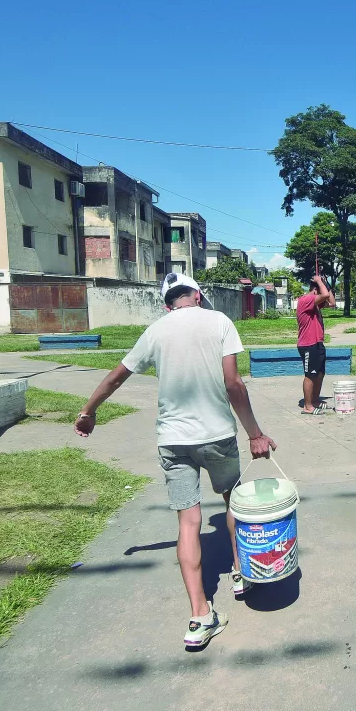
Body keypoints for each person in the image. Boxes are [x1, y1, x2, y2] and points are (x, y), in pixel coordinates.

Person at [73, 272, 277, 649]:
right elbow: (233, 383)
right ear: (198, 295)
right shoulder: (220, 321)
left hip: (173, 441)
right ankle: (239, 573)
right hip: (217, 435)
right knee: (233, 498)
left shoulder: (156, 331)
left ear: (167, 303)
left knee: (189, 521)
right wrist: (255, 434)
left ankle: (200, 616)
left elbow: (117, 376)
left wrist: (88, 410)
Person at [295, 274, 336, 414]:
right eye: (319, 290)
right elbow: (325, 295)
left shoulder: (316, 303)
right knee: (310, 374)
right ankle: (307, 406)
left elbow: (332, 302)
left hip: (317, 343)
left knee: (319, 374)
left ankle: (315, 400)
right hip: (308, 344)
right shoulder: (306, 300)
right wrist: (319, 281)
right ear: (314, 290)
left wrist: (326, 284)